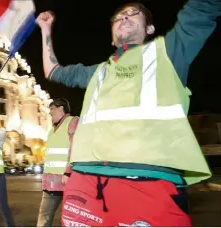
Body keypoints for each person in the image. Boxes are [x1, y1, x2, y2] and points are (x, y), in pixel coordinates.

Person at [36, 0, 220, 226]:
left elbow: (202, 7)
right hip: (84, 183)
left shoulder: (168, 52)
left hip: (148, 183)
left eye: (134, 13)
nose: (124, 17)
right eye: (118, 16)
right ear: (112, 38)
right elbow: (53, 71)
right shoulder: (98, 72)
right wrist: (45, 29)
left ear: (150, 29)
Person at [37, 98, 79, 227]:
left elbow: (75, 147)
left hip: (67, 180)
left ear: (61, 108)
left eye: (52, 110)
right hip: (50, 182)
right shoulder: (51, 130)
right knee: (44, 216)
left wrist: (68, 172)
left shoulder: (72, 122)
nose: (50, 114)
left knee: (70, 218)